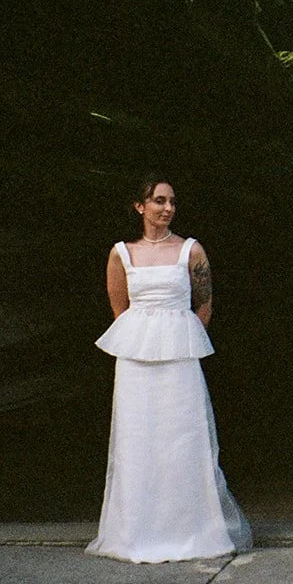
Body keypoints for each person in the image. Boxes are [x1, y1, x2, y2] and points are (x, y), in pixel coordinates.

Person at [87, 175, 252, 564]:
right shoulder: (121, 253)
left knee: (183, 437)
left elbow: (204, 305)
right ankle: (138, 532)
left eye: (172, 201)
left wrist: (179, 338)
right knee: (137, 438)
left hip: (179, 355)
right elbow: (120, 308)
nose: (167, 208)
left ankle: (190, 529)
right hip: (137, 359)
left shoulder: (191, 250)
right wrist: (146, 338)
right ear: (139, 206)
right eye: (159, 200)